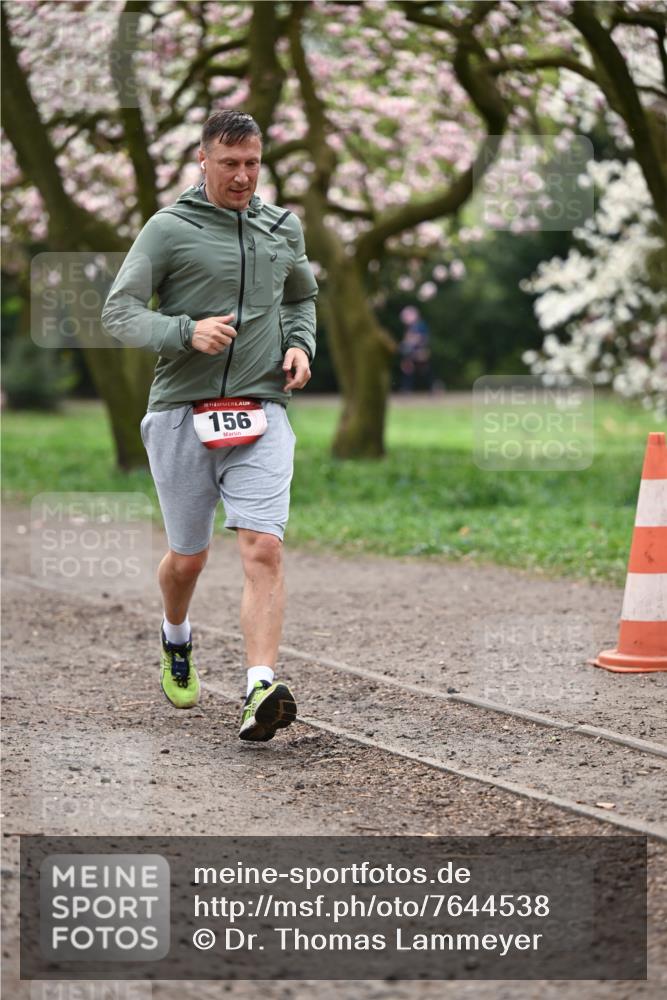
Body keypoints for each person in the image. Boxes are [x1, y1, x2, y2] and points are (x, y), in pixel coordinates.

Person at [102, 110, 317, 742]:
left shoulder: (283, 226)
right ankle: (176, 637)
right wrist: (183, 331)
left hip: (261, 409)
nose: (244, 177)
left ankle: (259, 686)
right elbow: (118, 313)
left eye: (253, 163)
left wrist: (300, 343)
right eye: (230, 164)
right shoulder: (169, 229)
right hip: (181, 414)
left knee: (263, 546)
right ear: (203, 161)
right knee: (189, 559)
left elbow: (302, 294)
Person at [398, 305, 433, 393]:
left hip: (420, 352)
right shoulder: (410, 327)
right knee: (409, 369)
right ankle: (407, 389)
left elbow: (422, 339)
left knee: (424, 371)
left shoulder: (420, 325)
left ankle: (434, 387)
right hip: (412, 353)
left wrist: (410, 342)